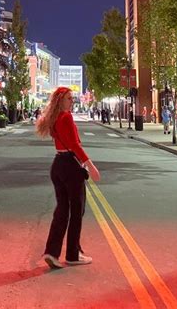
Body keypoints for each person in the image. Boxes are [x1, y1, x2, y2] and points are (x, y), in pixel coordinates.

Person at [36, 87, 100, 269]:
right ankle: (73, 254)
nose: (72, 101)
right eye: (69, 98)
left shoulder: (54, 118)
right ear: (60, 101)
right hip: (70, 166)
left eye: (72, 98)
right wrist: (91, 166)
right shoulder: (66, 117)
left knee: (62, 211)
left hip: (57, 164)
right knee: (77, 211)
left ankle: (52, 252)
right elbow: (74, 144)